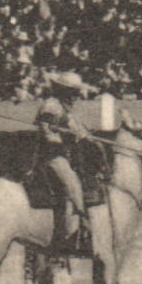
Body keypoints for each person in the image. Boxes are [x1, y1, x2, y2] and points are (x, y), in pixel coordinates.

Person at [36, 71, 95, 249]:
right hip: (52, 155)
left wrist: (85, 136)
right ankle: (75, 229)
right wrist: (63, 132)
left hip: (65, 154)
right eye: (73, 92)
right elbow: (47, 132)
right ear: (63, 90)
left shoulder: (66, 108)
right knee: (72, 183)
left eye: (76, 92)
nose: (76, 96)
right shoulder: (51, 106)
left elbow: (77, 128)